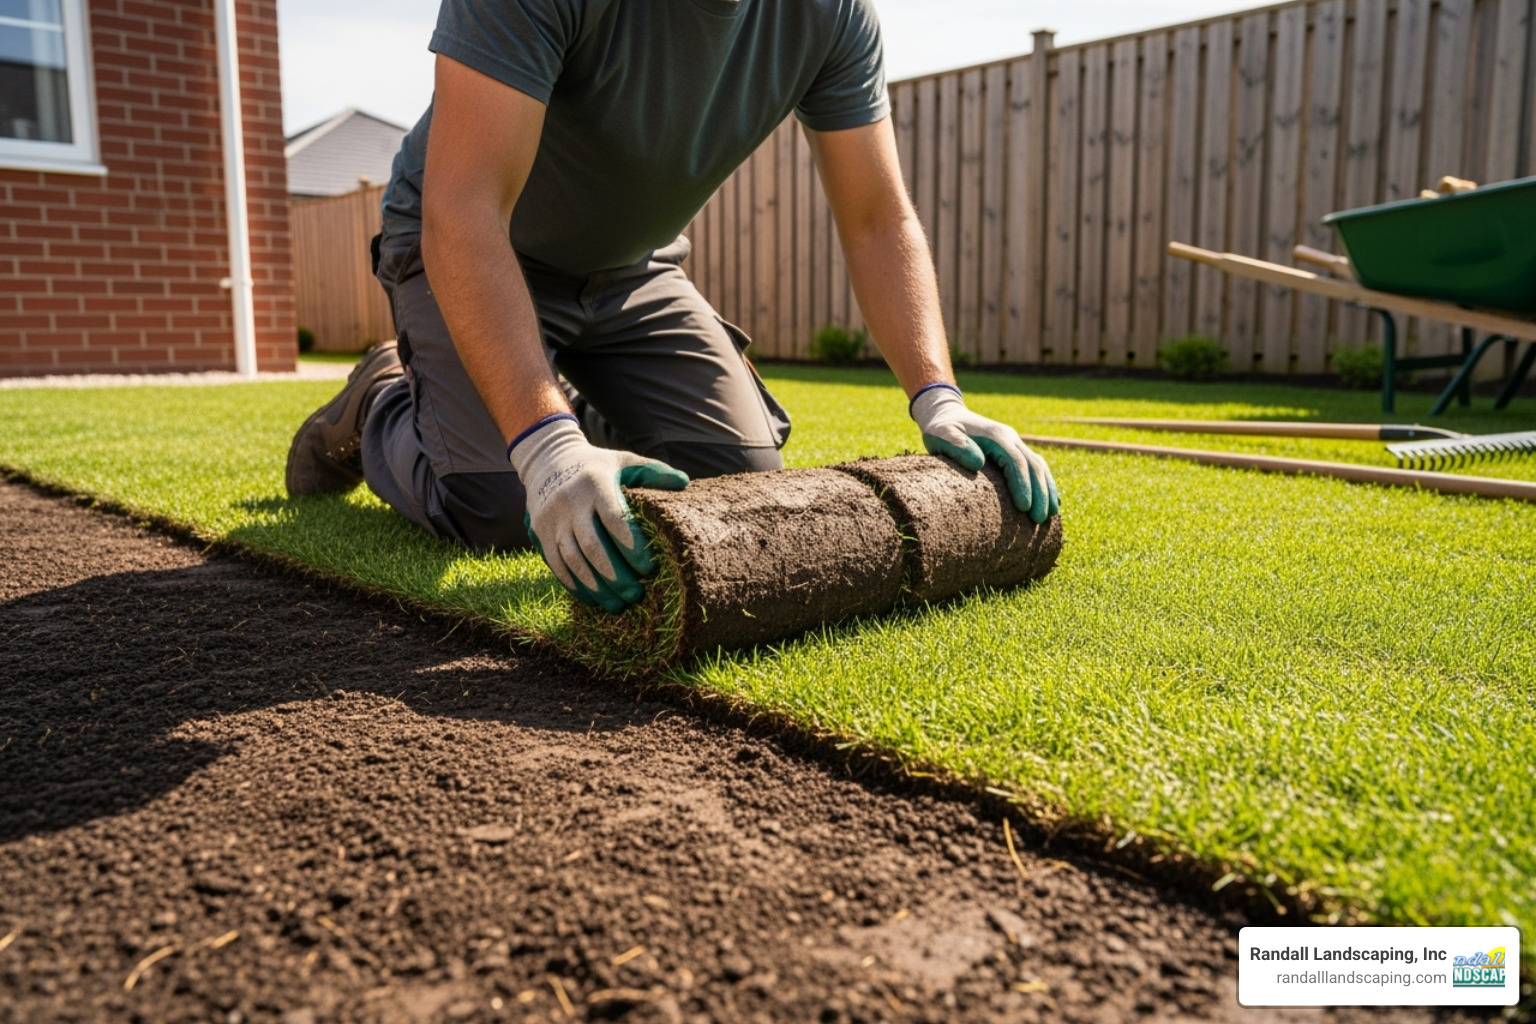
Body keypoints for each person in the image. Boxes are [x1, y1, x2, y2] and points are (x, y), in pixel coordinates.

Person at [285, 0, 1059, 615]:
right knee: (501, 502)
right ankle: (380, 400)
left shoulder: (832, 12)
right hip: (464, 240)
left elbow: (877, 218)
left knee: (734, 487)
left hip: (632, 270)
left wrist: (939, 398)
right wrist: (547, 448)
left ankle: (546, 404)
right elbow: (465, 208)